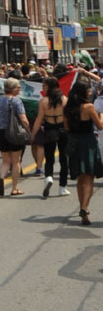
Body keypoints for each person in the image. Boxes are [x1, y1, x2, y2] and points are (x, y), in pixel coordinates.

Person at [64, 80, 103, 225]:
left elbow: (66, 127)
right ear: (82, 92)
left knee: (80, 178)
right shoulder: (89, 107)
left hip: (74, 142)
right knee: (89, 177)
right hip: (88, 142)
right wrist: (102, 116)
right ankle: (85, 208)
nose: (90, 92)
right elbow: (100, 126)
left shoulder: (68, 107)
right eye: (88, 90)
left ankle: (82, 206)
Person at [0, 78, 30, 197]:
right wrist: (29, 131)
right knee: (16, 161)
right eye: (18, 87)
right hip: (14, 133)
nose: (19, 89)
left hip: (0, 131)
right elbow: (23, 119)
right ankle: (14, 188)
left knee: (6, 160)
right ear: (12, 89)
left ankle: (1, 177)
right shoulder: (17, 101)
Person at [30, 77, 70, 199]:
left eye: (44, 86)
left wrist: (33, 134)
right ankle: (62, 187)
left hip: (49, 129)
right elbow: (67, 118)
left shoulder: (43, 101)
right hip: (63, 130)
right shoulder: (64, 100)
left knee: (49, 157)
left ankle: (48, 177)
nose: (43, 88)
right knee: (64, 159)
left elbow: (39, 119)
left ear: (50, 87)